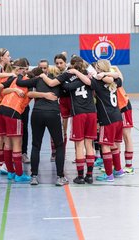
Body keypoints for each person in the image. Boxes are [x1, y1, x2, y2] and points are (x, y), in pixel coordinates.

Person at [39, 56, 97, 184]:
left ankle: (81, 176)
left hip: (79, 113)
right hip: (92, 112)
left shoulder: (67, 75)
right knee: (89, 144)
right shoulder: (89, 75)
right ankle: (89, 175)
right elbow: (91, 83)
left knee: (79, 145)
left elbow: (58, 85)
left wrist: (47, 77)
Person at [71, 59, 125, 182]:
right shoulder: (116, 81)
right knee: (115, 145)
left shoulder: (98, 83)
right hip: (117, 116)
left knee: (105, 146)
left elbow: (86, 81)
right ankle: (118, 170)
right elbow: (120, 76)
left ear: (99, 70)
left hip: (107, 118)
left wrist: (76, 72)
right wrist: (110, 73)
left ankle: (109, 174)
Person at [16, 61, 69, 186]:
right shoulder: (59, 82)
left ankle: (34, 176)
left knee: (36, 145)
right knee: (59, 145)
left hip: (37, 113)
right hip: (53, 113)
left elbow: (20, 83)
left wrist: (19, 73)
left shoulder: (38, 80)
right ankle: (60, 177)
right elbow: (67, 91)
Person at [0, 58, 32, 182]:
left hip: (1, 109)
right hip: (13, 111)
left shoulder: (13, 79)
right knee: (17, 144)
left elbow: (2, 89)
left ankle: (11, 172)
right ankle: (19, 174)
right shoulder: (28, 82)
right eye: (25, 69)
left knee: (7, 143)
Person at [112, 65, 135, 174]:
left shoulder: (115, 79)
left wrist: (115, 67)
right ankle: (116, 165)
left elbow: (120, 76)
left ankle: (129, 166)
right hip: (114, 109)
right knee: (116, 138)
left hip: (124, 107)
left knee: (126, 135)